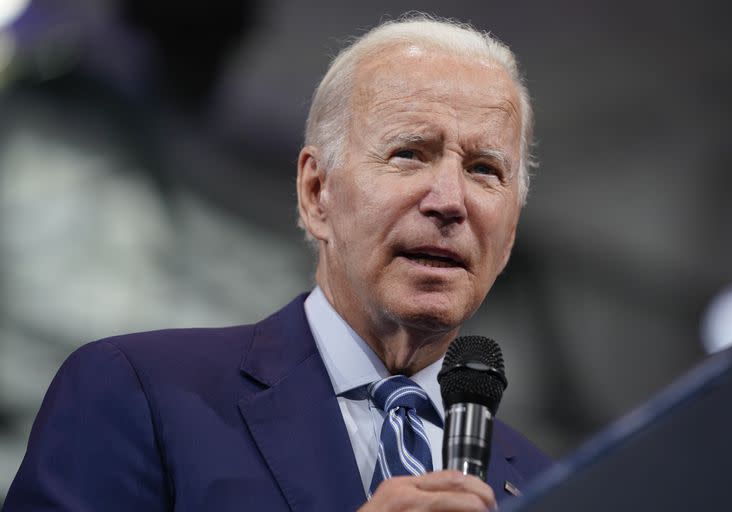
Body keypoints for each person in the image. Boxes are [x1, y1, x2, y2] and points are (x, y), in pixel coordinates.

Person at [3, 14, 551, 512]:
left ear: (508, 236)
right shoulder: (136, 394)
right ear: (317, 194)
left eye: (484, 170)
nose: (450, 201)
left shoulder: (545, 485)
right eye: (409, 153)